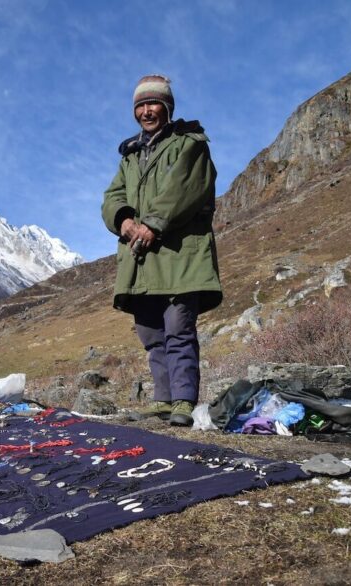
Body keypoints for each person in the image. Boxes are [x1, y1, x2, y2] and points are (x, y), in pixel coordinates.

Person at [101, 74, 222, 426]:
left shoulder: (191, 144)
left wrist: (152, 224)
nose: (146, 111)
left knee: (178, 330)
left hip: (180, 255)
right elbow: (112, 196)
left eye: (152, 103)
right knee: (153, 335)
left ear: (167, 107)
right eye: (139, 105)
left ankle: (183, 400)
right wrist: (123, 220)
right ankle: (163, 400)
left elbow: (183, 189)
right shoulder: (130, 156)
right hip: (142, 259)